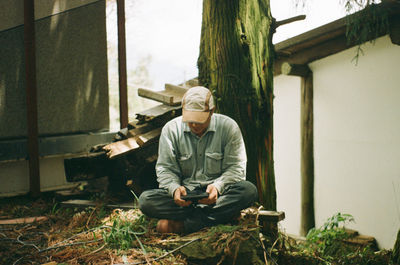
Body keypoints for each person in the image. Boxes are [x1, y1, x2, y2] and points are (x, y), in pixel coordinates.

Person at [138, 86, 258, 234]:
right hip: (185, 197)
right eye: (190, 120)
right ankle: (220, 215)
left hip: (218, 195)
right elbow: (165, 168)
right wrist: (174, 189)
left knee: (248, 191)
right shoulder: (171, 130)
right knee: (146, 201)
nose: (194, 125)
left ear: (212, 111)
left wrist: (218, 187)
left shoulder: (228, 127)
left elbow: (236, 168)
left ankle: (184, 226)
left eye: (199, 121)